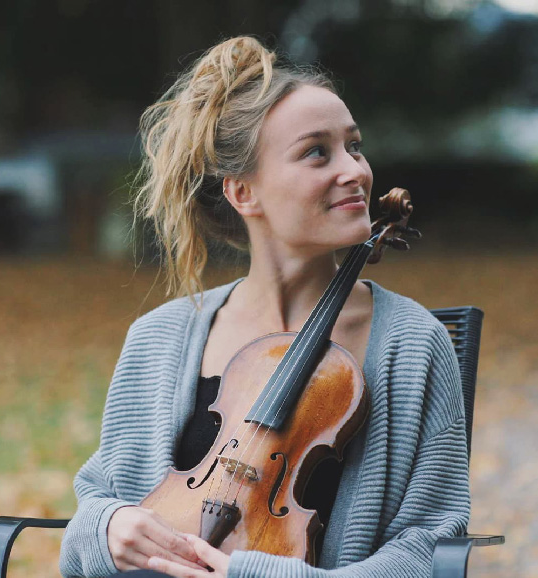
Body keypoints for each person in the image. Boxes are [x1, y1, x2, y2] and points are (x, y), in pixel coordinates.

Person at [59, 36, 469, 578]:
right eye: (317, 152)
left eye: (354, 146)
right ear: (243, 193)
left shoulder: (414, 343)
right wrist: (108, 527)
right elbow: (92, 513)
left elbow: (430, 545)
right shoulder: (159, 337)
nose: (355, 171)